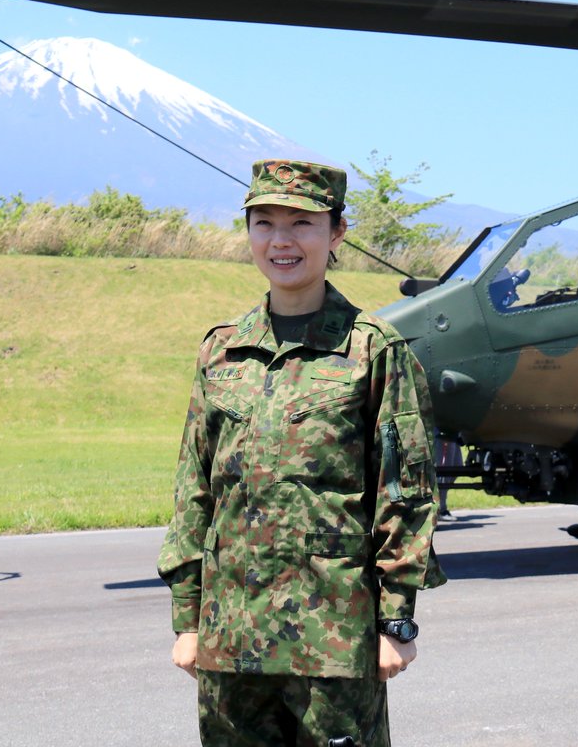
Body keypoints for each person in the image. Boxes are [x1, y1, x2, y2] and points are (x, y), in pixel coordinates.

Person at [157, 159, 446, 746]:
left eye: (302, 224)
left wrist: (396, 618)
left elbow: (407, 493)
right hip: (230, 635)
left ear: (336, 233)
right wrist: (188, 619)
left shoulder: (373, 350)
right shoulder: (221, 350)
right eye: (263, 222)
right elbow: (193, 491)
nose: (281, 240)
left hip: (333, 636)